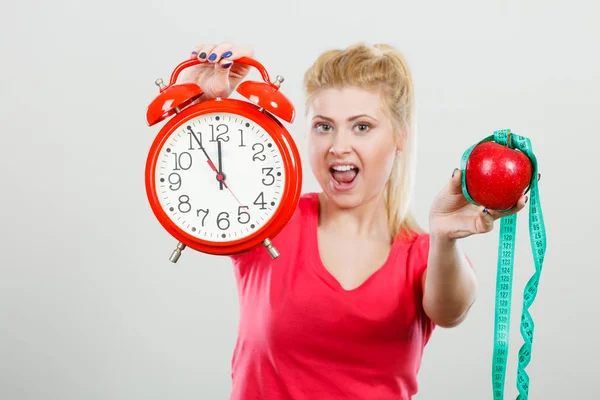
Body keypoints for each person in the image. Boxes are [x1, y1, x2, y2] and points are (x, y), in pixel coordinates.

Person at [183, 41, 528, 400]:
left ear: (399, 136)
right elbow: (195, 175)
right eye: (323, 126)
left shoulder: (424, 255)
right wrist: (201, 103)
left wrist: (444, 237)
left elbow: (452, 311)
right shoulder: (268, 219)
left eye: (361, 127)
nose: (339, 146)